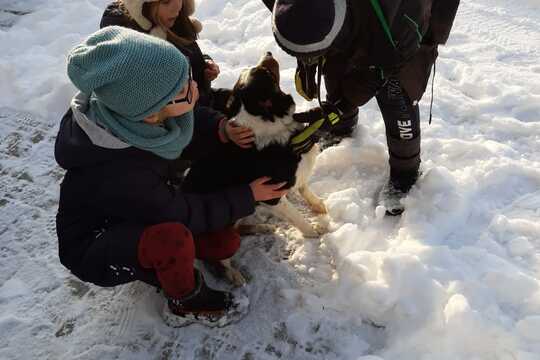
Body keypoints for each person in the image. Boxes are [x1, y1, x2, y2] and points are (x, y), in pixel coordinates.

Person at [55, 26, 287, 327]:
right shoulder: (121, 173)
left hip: (143, 207)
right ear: (151, 113)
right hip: (96, 244)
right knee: (172, 240)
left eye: (188, 79)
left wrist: (221, 129)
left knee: (223, 244)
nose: (193, 89)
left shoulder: (131, 116)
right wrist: (248, 196)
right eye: (182, 90)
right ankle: (186, 301)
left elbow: (184, 121)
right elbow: (180, 212)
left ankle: (164, 261)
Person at [263, 0, 460, 215]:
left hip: (402, 24)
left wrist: (343, 106)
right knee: (335, 66)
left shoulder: (399, 21)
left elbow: (382, 69)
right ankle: (343, 127)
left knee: (397, 92)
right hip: (350, 18)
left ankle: (406, 171)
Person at [100, 0, 229, 111]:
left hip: (202, 103)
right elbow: (163, 111)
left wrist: (203, 64)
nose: (177, 6)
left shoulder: (174, 21)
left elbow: (187, 53)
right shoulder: (126, 40)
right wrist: (219, 126)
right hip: (178, 125)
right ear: (142, 5)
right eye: (165, 1)